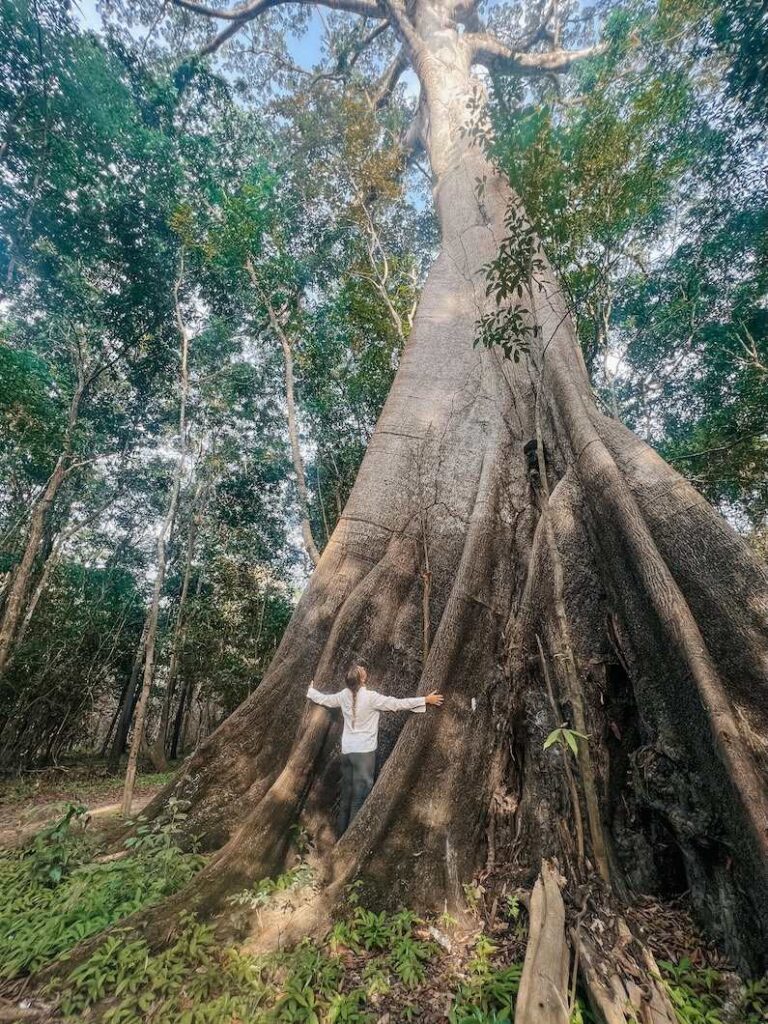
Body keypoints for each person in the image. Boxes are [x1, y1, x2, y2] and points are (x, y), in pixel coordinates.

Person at [307, 662, 443, 835]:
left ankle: (340, 837)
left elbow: (325, 700)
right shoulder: (371, 697)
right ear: (362, 679)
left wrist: (311, 692)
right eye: (363, 671)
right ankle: (349, 842)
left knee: (346, 798)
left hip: (347, 752)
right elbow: (396, 704)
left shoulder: (343, 695)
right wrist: (425, 700)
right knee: (359, 798)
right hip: (364, 754)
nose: (365, 670)